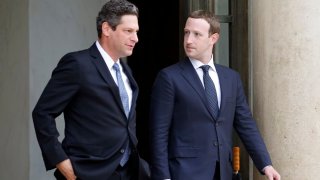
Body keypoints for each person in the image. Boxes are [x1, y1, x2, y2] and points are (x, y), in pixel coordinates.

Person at [149, 10, 281, 180]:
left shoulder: (231, 78)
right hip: (183, 173)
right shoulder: (169, 77)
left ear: (214, 38)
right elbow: (158, 132)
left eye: (197, 34)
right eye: (186, 33)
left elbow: (246, 124)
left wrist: (266, 164)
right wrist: (163, 176)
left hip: (223, 173)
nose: (189, 40)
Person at [33, 0, 150, 179]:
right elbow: (42, 113)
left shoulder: (127, 71)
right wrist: (60, 161)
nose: (136, 38)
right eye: (128, 31)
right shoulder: (77, 64)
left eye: (136, 32)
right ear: (106, 29)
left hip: (128, 171)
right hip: (88, 172)